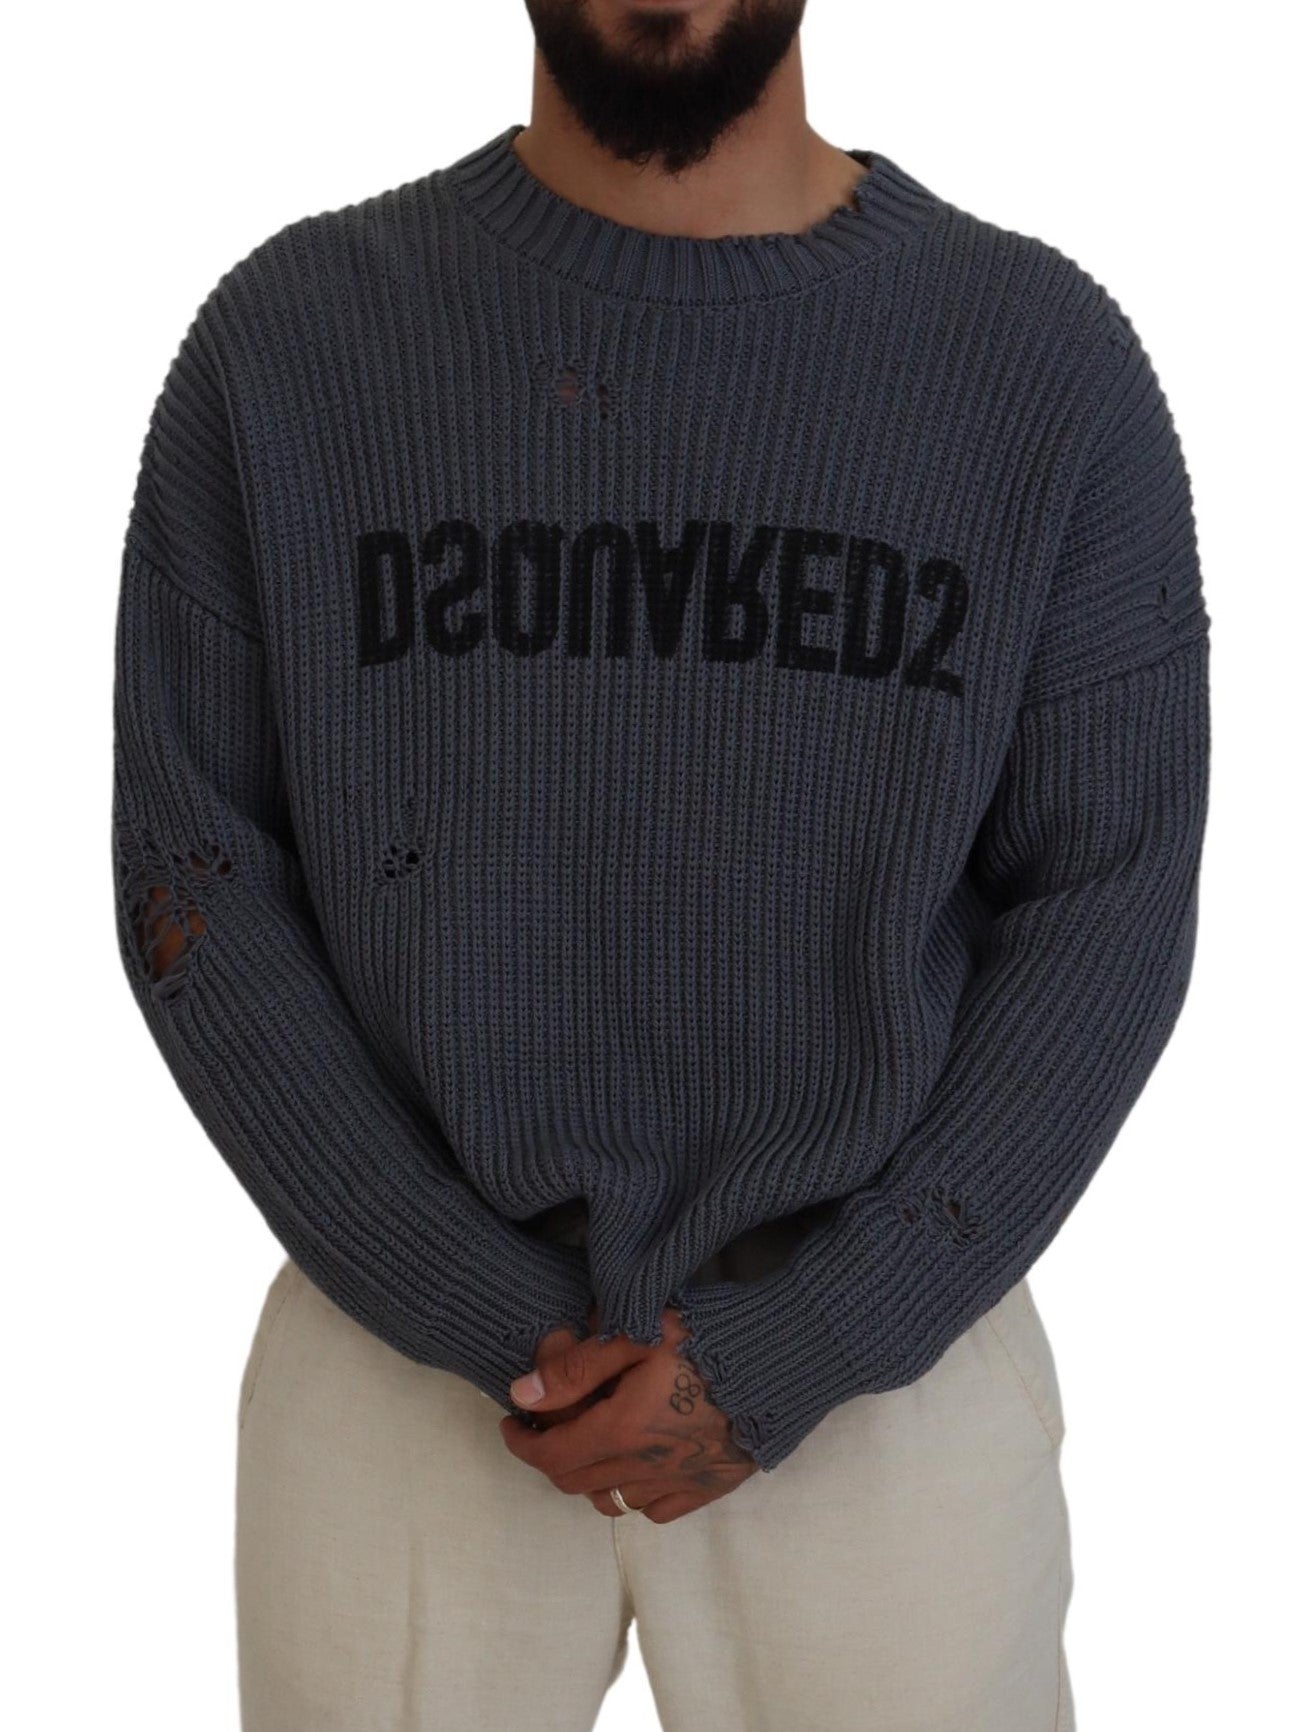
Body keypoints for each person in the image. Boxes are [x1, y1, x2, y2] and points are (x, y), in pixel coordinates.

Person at [109, 1, 1212, 1727]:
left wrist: (815, 1340)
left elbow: (1109, 899)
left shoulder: (1036, 361)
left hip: (883, 1358)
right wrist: (472, 1305)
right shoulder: (293, 342)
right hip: (398, 1357)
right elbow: (195, 873)